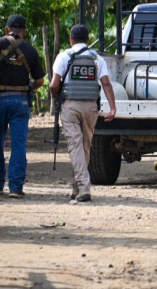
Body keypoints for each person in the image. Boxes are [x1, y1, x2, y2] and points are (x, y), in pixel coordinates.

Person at [0, 14, 45, 198]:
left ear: (7, 29)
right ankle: (15, 187)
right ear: (24, 31)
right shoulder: (30, 50)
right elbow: (40, 80)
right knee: (19, 144)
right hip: (20, 101)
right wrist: (28, 87)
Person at [49, 24, 116, 203]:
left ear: (71, 40)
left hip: (70, 105)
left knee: (75, 146)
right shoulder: (97, 59)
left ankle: (84, 188)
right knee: (85, 146)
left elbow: (54, 85)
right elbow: (106, 84)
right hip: (91, 107)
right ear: (87, 40)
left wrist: (55, 99)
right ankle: (77, 187)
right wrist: (113, 108)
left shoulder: (64, 56)